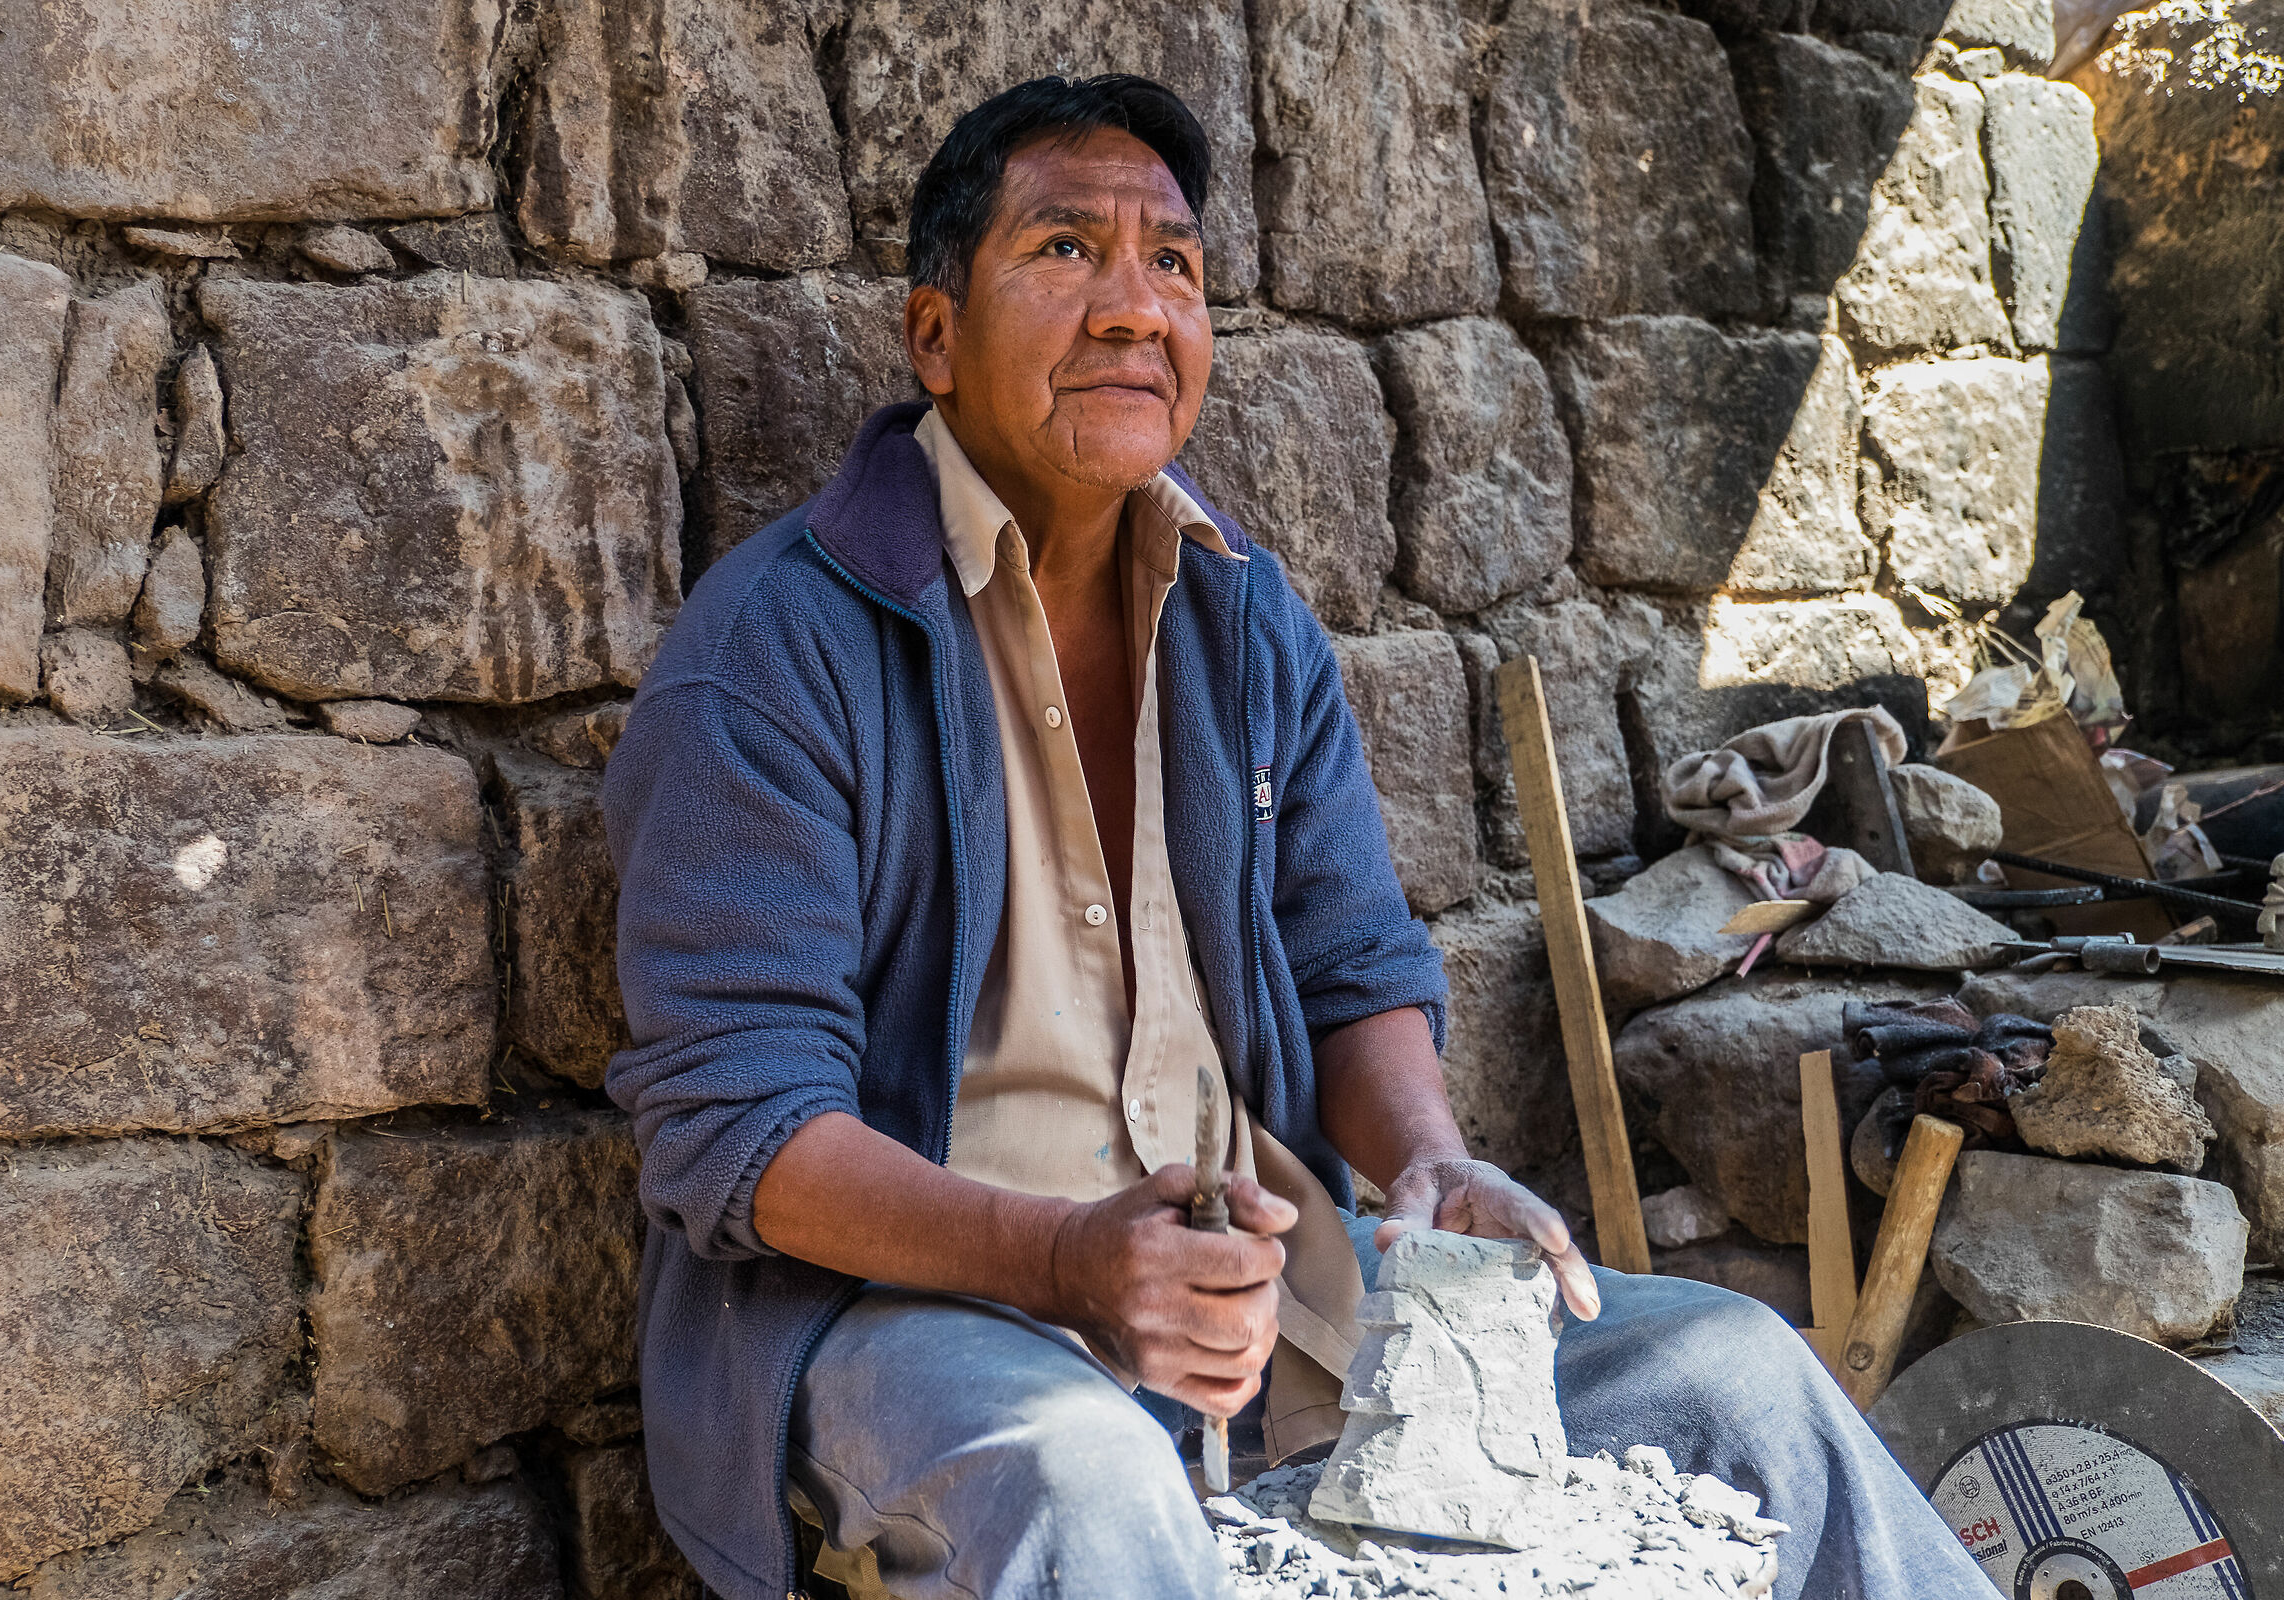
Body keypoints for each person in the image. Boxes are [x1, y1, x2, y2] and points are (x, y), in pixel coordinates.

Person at [602, 73, 1997, 1600]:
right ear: (934, 336)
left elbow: (1352, 966)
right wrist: (1069, 1264)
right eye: (1065, 250)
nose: (1135, 309)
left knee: (1735, 1374)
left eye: (1175, 265)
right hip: (911, 1319)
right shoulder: (778, 648)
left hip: (1278, 1297)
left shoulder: (1247, 619)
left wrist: (1430, 1165)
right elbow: (740, 1132)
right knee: (1088, 1479)